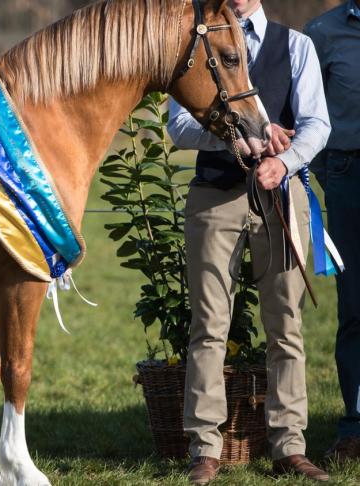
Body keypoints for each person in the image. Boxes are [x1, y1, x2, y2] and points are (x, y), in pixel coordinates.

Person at [167, 0, 332, 483]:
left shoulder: (295, 45)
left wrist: (284, 161)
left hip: (280, 196)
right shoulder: (196, 43)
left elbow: (318, 124)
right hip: (214, 198)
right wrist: (231, 139)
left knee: (286, 325)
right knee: (209, 325)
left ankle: (290, 445)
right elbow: (178, 127)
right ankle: (205, 448)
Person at [305, 0, 360, 463]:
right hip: (350, 178)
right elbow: (311, 118)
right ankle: (354, 427)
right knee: (356, 306)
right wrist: (334, 172)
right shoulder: (322, 33)